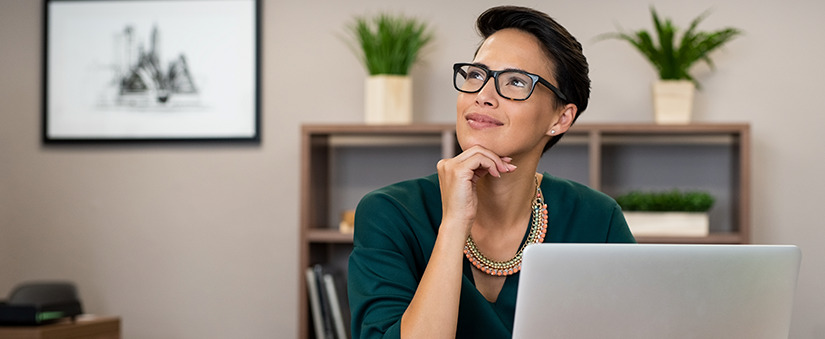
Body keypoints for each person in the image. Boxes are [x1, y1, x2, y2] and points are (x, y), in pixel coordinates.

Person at [348, 6, 636, 339]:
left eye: (515, 81)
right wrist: (454, 225)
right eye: (475, 75)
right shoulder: (389, 213)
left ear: (561, 119)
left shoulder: (597, 219)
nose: (483, 95)